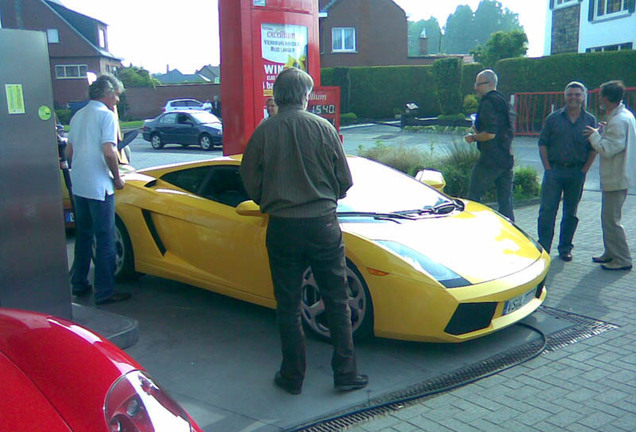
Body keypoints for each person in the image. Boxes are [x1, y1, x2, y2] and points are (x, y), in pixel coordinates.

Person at [240, 67, 367, 395]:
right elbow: (345, 181)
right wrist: (327, 198)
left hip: (282, 227)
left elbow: (249, 176)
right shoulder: (324, 128)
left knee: (288, 303)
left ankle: (292, 376)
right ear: (304, 96)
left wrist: (267, 198)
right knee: (337, 298)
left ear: (278, 97)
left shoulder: (264, 132)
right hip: (323, 225)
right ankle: (346, 373)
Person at [65, 74, 131, 304]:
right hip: (100, 187)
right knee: (105, 239)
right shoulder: (106, 116)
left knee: (84, 236)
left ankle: (79, 283)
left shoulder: (78, 116)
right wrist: (117, 177)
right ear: (106, 93)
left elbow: (68, 153)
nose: (117, 100)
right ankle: (105, 291)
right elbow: (109, 151)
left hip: (80, 185)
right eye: (116, 95)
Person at [536, 82, 597, 261]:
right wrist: (547, 168)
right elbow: (543, 144)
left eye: (577, 94)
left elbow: (593, 147)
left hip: (576, 173)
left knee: (570, 213)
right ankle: (544, 247)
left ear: (583, 97)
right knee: (547, 212)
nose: (573, 98)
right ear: (565, 96)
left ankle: (565, 249)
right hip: (554, 171)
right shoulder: (553, 118)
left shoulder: (589, 120)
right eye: (570, 94)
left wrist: (584, 170)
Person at [584, 80, 635, 271]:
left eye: (600, 96)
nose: (599, 99)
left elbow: (607, 149)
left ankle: (622, 258)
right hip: (618, 176)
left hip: (616, 177)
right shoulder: (622, 116)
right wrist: (604, 130)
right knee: (608, 218)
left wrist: (595, 135)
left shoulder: (619, 120)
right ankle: (611, 252)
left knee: (612, 220)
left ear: (606, 98)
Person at [464, 69, 515, 221]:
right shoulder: (503, 101)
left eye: (479, 84)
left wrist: (473, 137)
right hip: (506, 158)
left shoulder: (487, 102)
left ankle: (470, 228)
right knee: (506, 203)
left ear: (490, 84)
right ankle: (512, 235)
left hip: (490, 160)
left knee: (473, 198)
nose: (476, 87)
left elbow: (490, 133)